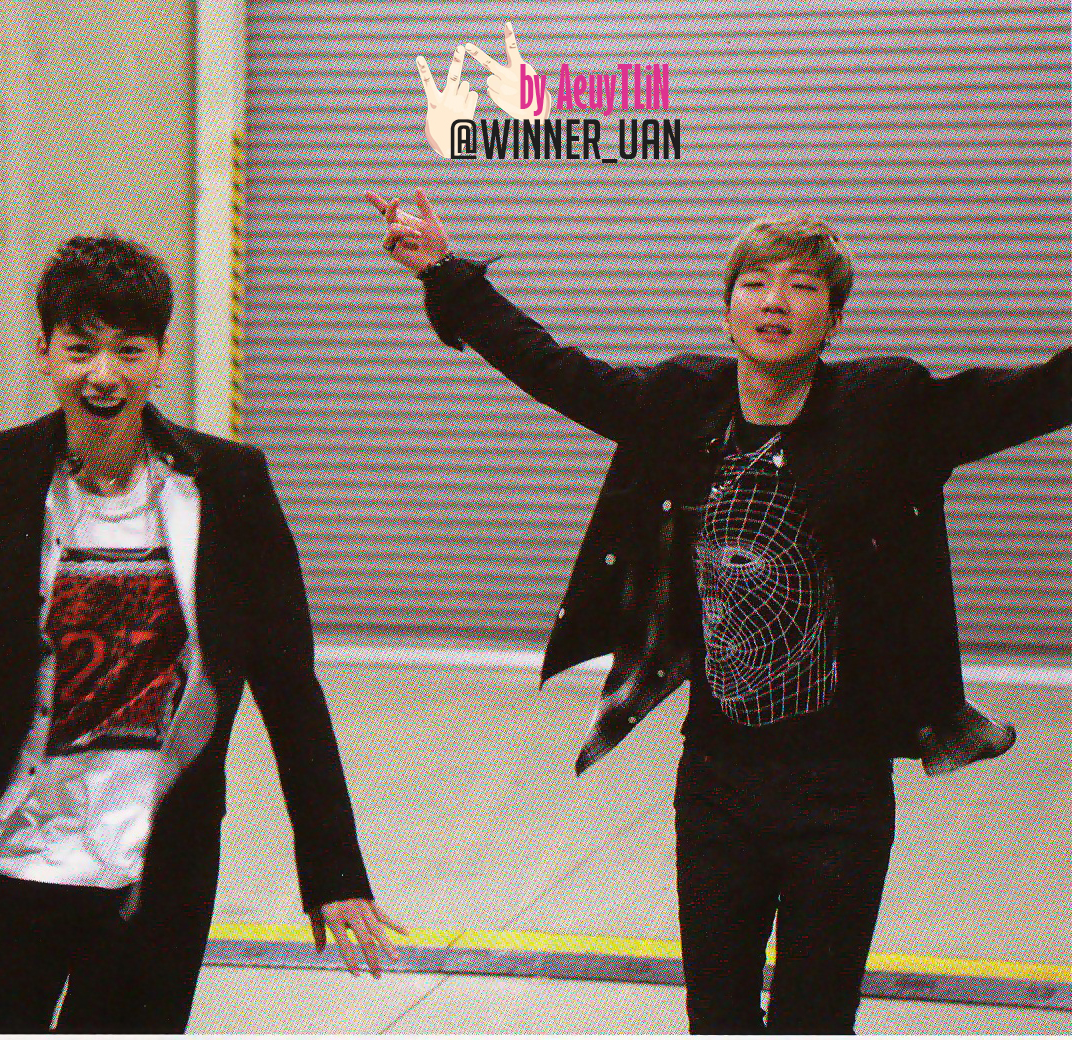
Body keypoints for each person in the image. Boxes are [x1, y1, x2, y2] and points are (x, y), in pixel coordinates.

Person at [370, 192, 1071, 1033]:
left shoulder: (889, 410)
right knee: (717, 1021)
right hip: (715, 780)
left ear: (834, 320)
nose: (776, 302)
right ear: (726, 308)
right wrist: (446, 274)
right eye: (756, 283)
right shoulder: (682, 402)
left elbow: (1040, 395)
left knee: (814, 1022)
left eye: (804, 287)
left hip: (841, 787)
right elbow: (556, 370)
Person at [0, 235, 402, 1032]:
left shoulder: (230, 487)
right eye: (80, 348)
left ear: (160, 357)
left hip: (160, 871)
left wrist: (334, 870)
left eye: (128, 349)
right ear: (44, 353)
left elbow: (291, 690)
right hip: (15, 862)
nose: (103, 374)